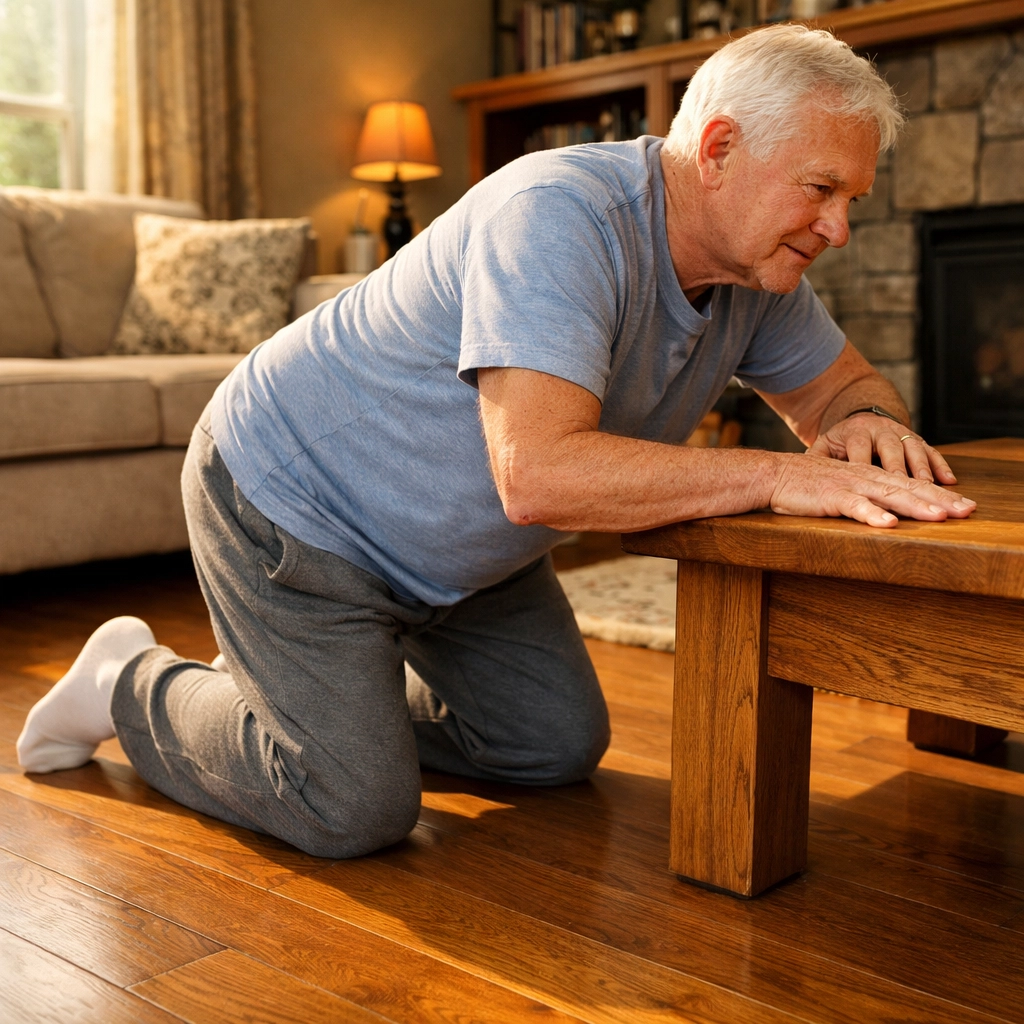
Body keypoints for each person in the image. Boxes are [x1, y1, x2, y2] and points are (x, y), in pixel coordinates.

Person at [18, 24, 975, 857]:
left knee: (550, 748)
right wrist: (775, 475)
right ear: (719, 147)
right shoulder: (560, 215)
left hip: (459, 555)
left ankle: (295, 695)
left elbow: (846, 384)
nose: (839, 228)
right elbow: (543, 476)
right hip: (295, 506)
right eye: (821, 189)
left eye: (851, 198)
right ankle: (127, 684)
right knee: (352, 808)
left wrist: (863, 422)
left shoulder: (757, 275)